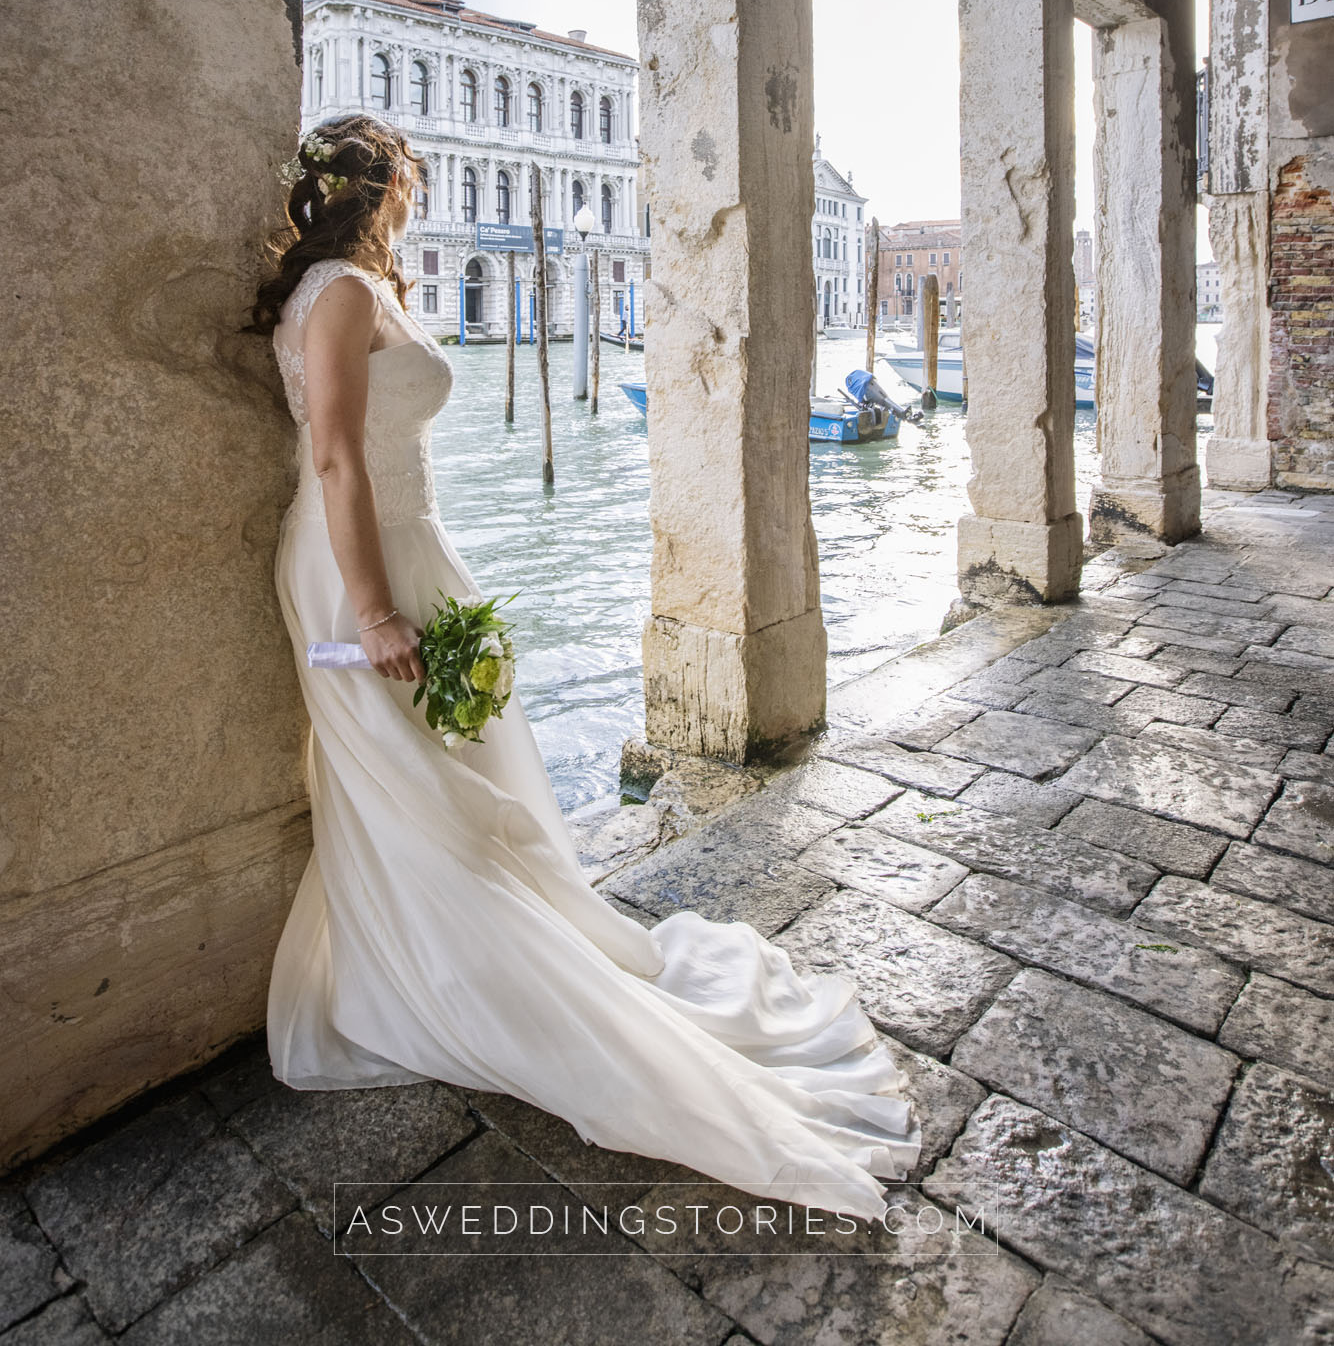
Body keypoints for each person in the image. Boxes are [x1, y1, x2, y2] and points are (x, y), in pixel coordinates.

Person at [246, 112, 921, 1221]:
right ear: (381, 190)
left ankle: (431, 955)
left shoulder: (355, 289)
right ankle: (444, 972)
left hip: (408, 545)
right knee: (404, 775)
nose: (414, 201)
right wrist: (370, 609)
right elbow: (331, 455)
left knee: (437, 764)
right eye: (407, 184)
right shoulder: (341, 295)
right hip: (350, 567)